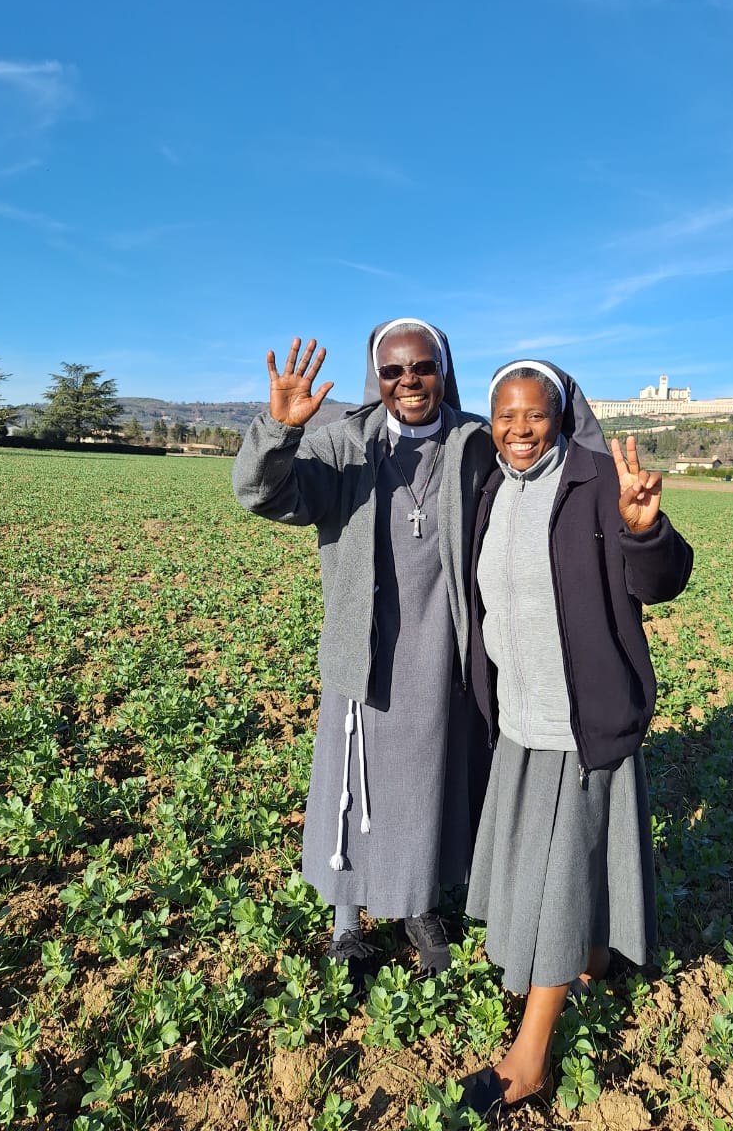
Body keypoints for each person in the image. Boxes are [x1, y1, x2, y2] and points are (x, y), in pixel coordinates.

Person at [459, 360, 693, 1116]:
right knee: (561, 862)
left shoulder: (595, 481)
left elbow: (660, 581)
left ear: (559, 415)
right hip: (519, 720)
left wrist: (644, 530)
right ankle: (594, 957)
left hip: (579, 720)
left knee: (555, 883)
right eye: (505, 415)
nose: (519, 429)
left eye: (534, 414)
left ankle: (528, 1058)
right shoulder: (492, 489)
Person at [232, 322, 495, 981]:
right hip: (365, 645)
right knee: (353, 777)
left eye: (422, 367)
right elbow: (262, 494)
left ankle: (420, 904)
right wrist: (278, 429)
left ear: (443, 371)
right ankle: (347, 924)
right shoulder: (344, 445)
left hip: (442, 648)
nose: (409, 381)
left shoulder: (475, 444)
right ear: (377, 379)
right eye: (393, 371)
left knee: (426, 778)